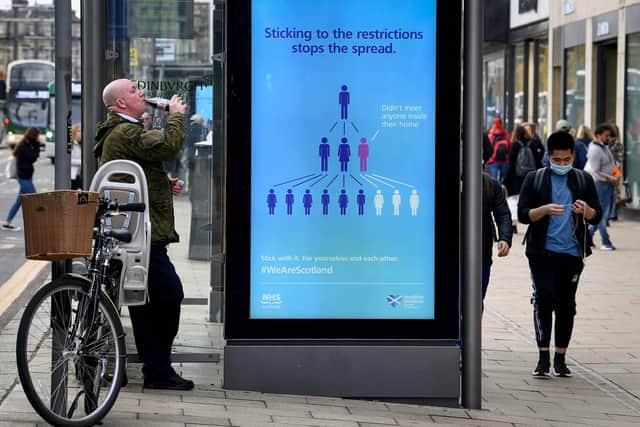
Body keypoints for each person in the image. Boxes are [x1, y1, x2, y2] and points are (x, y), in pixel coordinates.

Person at [93, 79, 194, 390]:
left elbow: (137, 169)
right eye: (135, 90)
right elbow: (167, 145)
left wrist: (164, 182)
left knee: (146, 302)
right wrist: (177, 115)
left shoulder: (123, 131)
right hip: (141, 234)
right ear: (121, 103)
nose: (142, 93)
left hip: (137, 231)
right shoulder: (125, 131)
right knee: (170, 294)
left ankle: (157, 368)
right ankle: (158, 369)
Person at [518, 131, 602, 378]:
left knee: (566, 304)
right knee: (544, 299)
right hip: (541, 252)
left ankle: (561, 358)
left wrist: (587, 211)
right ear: (548, 157)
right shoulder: (535, 179)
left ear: (574, 156)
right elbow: (523, 214)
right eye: (558, 160)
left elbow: (597, 213)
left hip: (572, 253)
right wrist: (542, 210)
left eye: (567, 160)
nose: (563, 165)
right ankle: (543, 358)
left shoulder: (583, 180)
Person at [586, 124, 618, 250]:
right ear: (598, 136)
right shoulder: (594, 150)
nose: (608, 138)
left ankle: (587, 238)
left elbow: (611, 163)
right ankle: (606, 241)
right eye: (606, 135)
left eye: (609, 135)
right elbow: (596, 170)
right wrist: (611, 177)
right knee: (602, 214)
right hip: (600, 185)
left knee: (603, 213)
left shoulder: (604, 148)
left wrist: (617, 175)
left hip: (608, 185)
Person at [2, 127, 40, 231]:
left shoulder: (26, 145)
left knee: (19, 201)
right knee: (35, 199)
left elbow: (33, 157)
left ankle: (7, 222)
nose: (38, 138)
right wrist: (37, 145)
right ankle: (39, 223)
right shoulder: (23, 146)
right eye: (37, 136)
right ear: (33, 136)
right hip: (24, 178)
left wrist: (36, 145)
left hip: (27, 177)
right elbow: (33, 157)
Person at [481, 173, 512, 302]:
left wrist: (504, 238)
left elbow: (503, 214)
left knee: (476, 301)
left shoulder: (489, 184)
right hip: (447, 256)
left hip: (481, 253)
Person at [608, 123, 624, 220]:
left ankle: (609, 213)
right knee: (615, 190)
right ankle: (613, 213)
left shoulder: (606, 142)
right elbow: (620, 159)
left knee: (608, 190)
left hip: (607, 168)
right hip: (615, 168)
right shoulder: (618, 143)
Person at [487, 118, 511, 183]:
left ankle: (495, 192)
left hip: (493, 160)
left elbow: (488, 147)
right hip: (504, 160)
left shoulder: (491, 134)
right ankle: (502, 192)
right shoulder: (506, 134)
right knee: (503, 180)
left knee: (494, 180)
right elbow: (509, 146)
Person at [70, 124, 82, 190]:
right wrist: (81, 162)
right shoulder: (72, 145)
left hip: (77, 174)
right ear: (74, 133)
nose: (81, 133)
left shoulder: (79, 144)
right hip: (72, 175)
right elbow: (69, 160)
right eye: (79, 131)